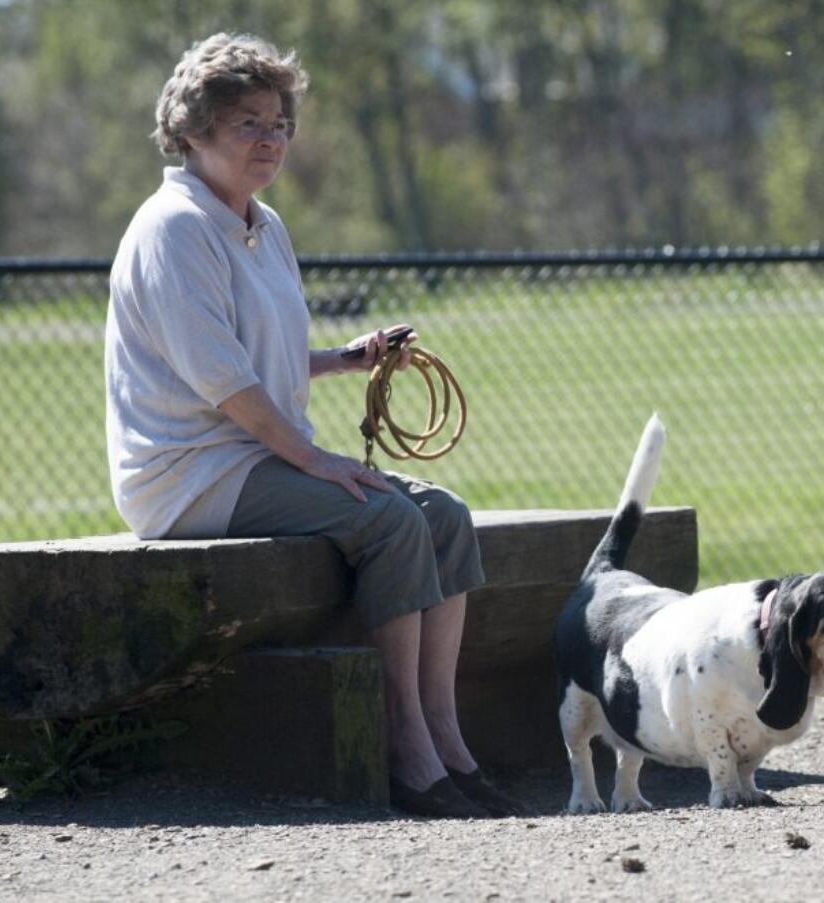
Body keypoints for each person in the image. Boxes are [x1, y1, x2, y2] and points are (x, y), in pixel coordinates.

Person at [104, 32, 522, 819]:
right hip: (191, 476)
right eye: (247, 124)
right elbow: (226, 384)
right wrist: (317, 460)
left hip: (253, 456)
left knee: (445, 515)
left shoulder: (262, 224)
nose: (270, 139)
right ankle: (406, 747)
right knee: (392, 520)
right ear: (191, 132)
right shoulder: (175, 229)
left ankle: (444, 734)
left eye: (279, 123)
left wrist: (347, 358)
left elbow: (268, 357)